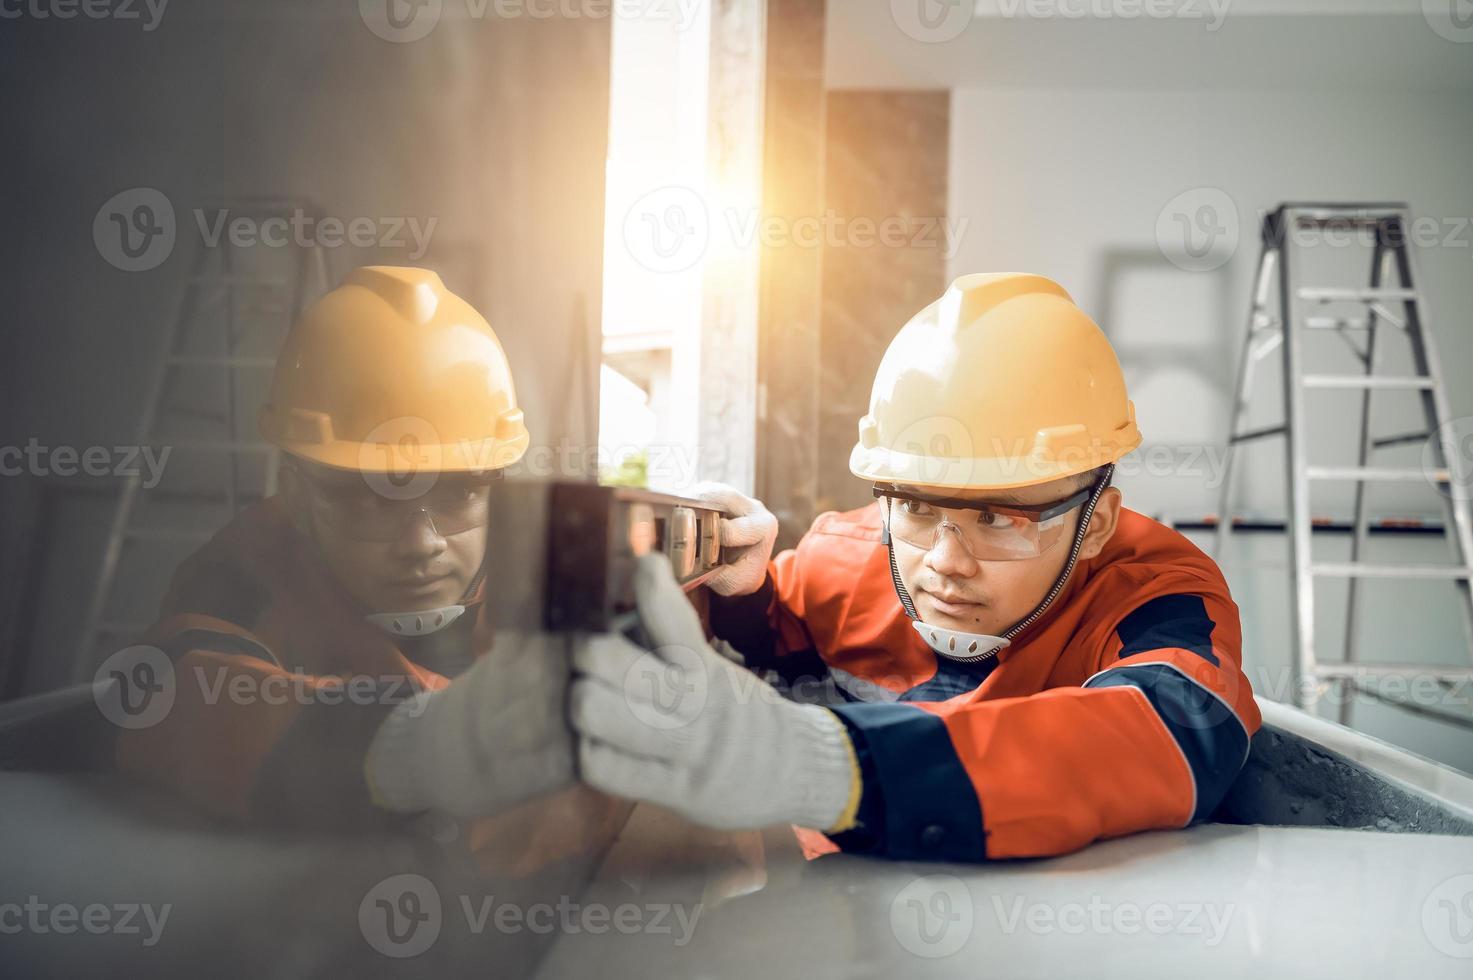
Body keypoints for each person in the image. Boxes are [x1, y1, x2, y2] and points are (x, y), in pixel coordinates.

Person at [571, 272, 1261, 861]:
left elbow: (1174, 730)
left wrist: (828, 767)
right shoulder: (843, 555)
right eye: (919, 509)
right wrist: (744, 597)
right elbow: (776, 660)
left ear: (1095, 524)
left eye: (999, 519)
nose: (943, 563)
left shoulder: (1154, 596)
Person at [115, 266, 588, 837]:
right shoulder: (247, 573)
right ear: (298, 494)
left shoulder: (533, 567)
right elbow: (176, 690)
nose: (424, 544)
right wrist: (422, 750)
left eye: (460, 493)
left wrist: (721, 569)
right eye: (371, 502)